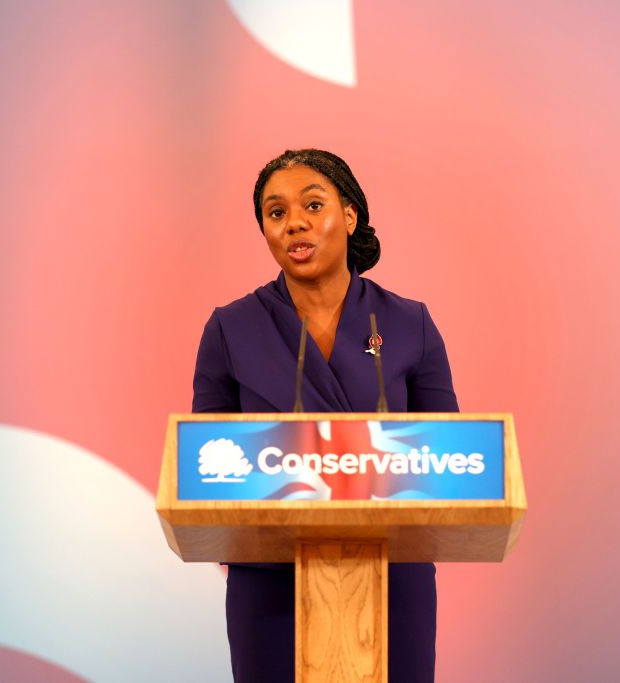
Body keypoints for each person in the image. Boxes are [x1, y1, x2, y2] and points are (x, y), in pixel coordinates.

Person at [192, 148, 458, 682]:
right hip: (271, 580)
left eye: (313, 205)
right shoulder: (230, 329)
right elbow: (206, 468)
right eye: (275, 212)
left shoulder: (411, 324)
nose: (294, 222)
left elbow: (451, 459)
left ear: (350, 214)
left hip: (391, 573)